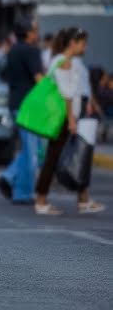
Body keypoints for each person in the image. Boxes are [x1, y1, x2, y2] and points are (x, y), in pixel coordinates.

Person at [34, 28, 104, 215]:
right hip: (64, 116)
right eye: (83, 43)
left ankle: (83, 199)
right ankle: (41, 200)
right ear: (73, 43)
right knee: (54, 157)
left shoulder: (69, 61)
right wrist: (71, 120)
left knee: (80, 154)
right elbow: (66, 94)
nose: (85, 47)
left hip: (70, 115)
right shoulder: (63, 62)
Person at [0, 20, 44, 203]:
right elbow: (39, 79)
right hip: (29, 106)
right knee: (33, 152)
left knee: (31, 149)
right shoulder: (32, 51)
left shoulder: (13, 51)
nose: (37, 32)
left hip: (16, 103)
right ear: (28, 33)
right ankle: (22, 192)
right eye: (34, 29)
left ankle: (10, 176)